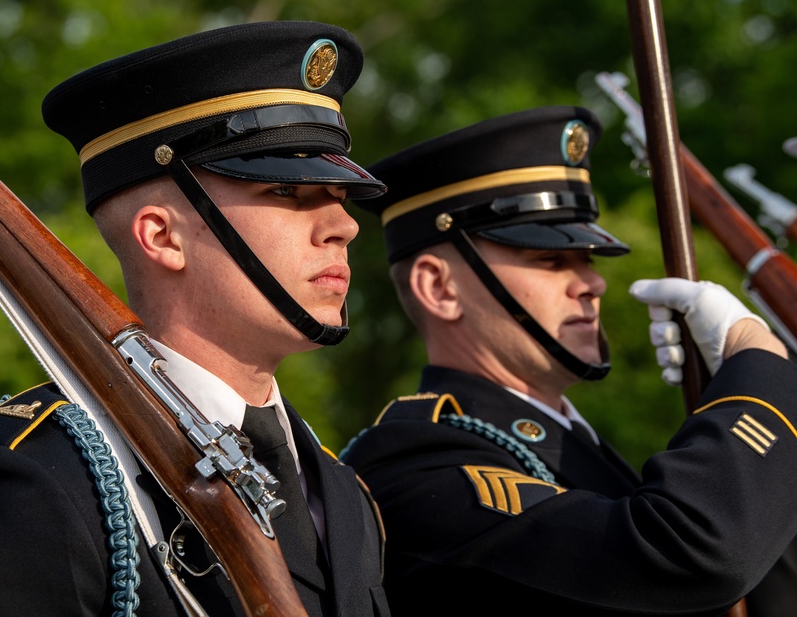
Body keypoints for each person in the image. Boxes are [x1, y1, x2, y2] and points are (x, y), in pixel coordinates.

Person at [0, 21, 391, 617]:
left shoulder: (344, 496)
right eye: (287, 190)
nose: (345, 226)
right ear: (162, 236)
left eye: (338, 195)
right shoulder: (33, 484)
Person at [340, 106, 797, 616]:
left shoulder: (573, 447)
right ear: (439, 286)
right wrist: (760, 361)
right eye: (551, 260)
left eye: (588, 259)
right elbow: (693, 555)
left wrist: (732, 406)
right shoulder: (416, 461)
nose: (593, 283)